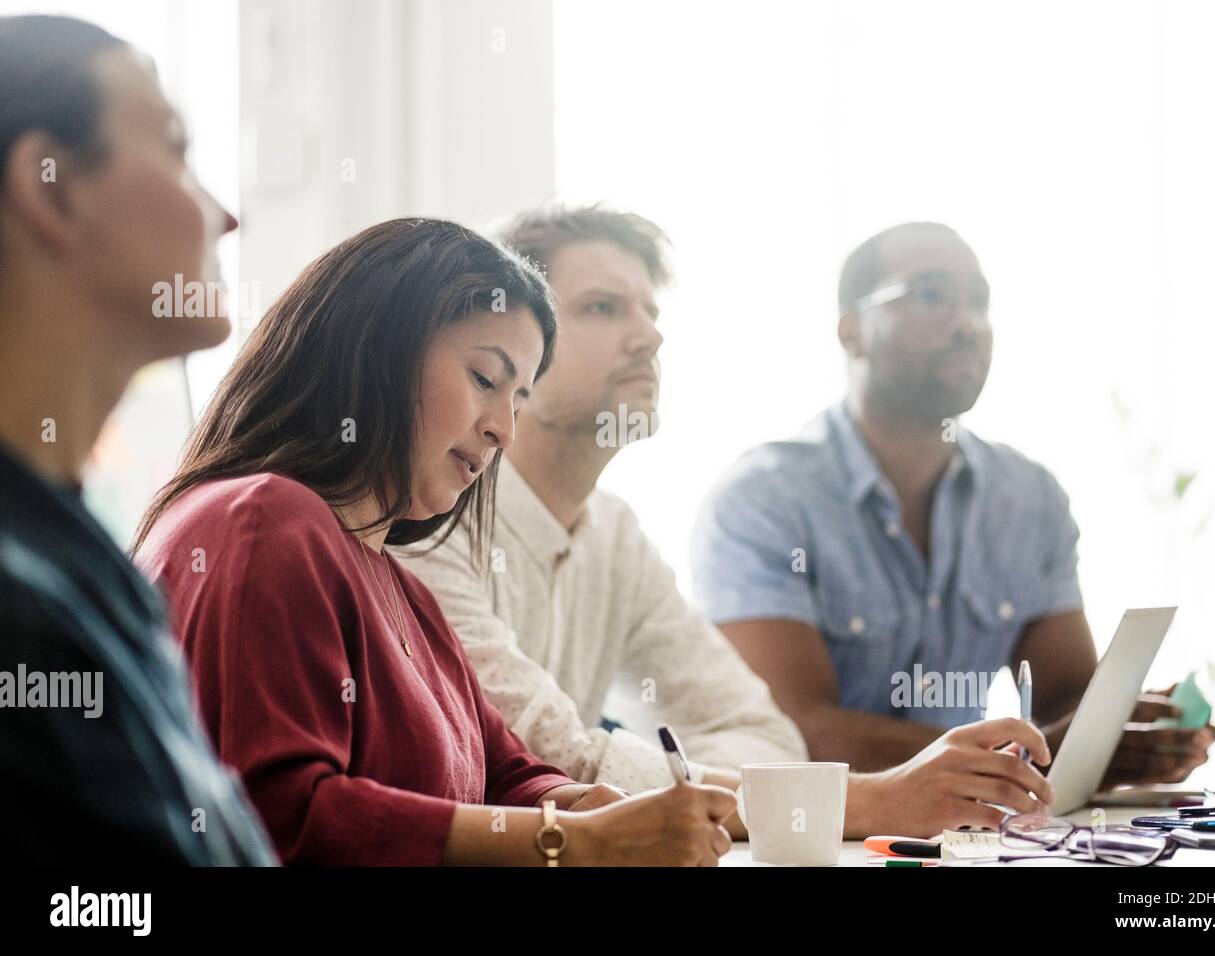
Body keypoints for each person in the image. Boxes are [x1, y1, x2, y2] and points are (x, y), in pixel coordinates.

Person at [402, 206, 1056, 838]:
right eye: (603, 307)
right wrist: (865, 802)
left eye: (650, 311)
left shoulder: (616, 534)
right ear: (517, 341)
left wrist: (679, 784)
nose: (651, 336)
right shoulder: (426, 520)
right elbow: (555, 763)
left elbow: (766, 733)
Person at [133, 217, 737, 865]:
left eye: (520, 399)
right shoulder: (266, 521)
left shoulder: (401, 589)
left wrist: (585, 805)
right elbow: (285, 817)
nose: (503, 429)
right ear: (376, 348)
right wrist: (575, 841)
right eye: (485, 379)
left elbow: (507, 773)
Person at [691, 221, 1215, 788]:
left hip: (969, 834)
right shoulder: (762, 500)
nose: (967, 324)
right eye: (932, 295)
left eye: (979, 302)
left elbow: (1066, 700)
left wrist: (1122, 731)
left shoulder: (1028, 497)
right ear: (852, 332)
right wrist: (1028, 756)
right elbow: (795, 733)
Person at [0, 14, 275, 864]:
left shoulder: (77, 561)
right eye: (176, 148)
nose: (225, 216)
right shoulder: (21, 606)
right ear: (52, 188)